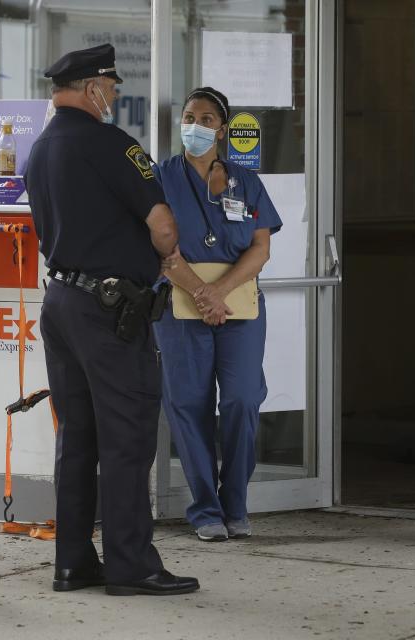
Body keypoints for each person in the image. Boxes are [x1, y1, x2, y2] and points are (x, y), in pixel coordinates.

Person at [25, 43, 199, 596]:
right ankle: (131, 565)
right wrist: (168, 258)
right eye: (110, 84)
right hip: (109, 311)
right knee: (126, 437)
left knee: (78, 436)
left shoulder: (40, 149)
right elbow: (163, 224)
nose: (115, 94)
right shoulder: (110, 144)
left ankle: (73, 562)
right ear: (90, 87)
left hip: (62, 302)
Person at [151, 87, 282, 542]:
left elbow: (261, 246)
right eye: (189, 116)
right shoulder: (159, 177)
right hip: (179, 302)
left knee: (243, 399)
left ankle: (235, 503)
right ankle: (205, 508)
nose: (196, 125)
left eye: (207, 119)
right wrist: (200, 292)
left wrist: (219, 291)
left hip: (239, 305)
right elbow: (158, 245)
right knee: (189, 404)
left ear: (222, 129)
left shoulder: (247, 182)